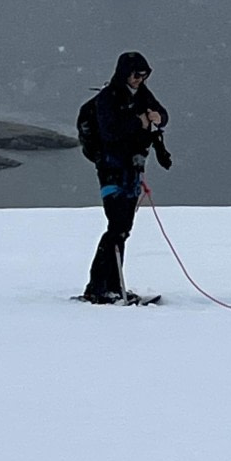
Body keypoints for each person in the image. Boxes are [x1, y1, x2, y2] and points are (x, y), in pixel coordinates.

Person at [81, 51, 171, 304]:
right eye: (136, 74)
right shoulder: (107, 98)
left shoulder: (142, 94)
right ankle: (99, 288)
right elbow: (110, 132)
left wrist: (158, 118)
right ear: (124, 73)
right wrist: (139, 121)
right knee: (117, 227)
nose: (139, 79)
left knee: (123, 229)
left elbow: (161, 112)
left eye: (144, 75)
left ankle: (111, 286)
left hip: (132, 169)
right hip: (111, 169)